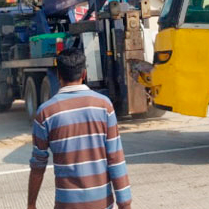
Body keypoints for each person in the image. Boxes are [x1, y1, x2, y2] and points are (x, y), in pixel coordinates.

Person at [27, 48, 132, 209]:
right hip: (102, 203)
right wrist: (125, 204)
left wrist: (31, 204)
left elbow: (38, 165)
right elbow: (115, 158)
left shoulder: (46, 112)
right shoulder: (104, 106)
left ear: (58, 75)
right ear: (84, 74)